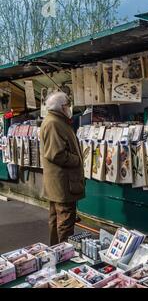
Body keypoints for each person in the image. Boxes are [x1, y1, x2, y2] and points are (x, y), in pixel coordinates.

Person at [40, 91, 85, 246]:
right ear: (61, 107)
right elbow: (55, 154)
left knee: (56, 218)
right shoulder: (54, 123)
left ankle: (55, 251)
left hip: (58, 181)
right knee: (65, 220)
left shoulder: (57, 121)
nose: (69, 107)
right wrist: (77, 159)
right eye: (67, 104)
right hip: (62, 182)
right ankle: (62, 254)